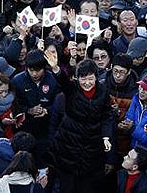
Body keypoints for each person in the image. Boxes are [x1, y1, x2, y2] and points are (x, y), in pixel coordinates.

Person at [45, 58, 114, 193]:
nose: (87, 83)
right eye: (83, 79)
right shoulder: (72, 90)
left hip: (91, 151)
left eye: (90, 79)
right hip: (69, 148)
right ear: (77, 79)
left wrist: (106, 137)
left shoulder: (103, 91)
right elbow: (63, 81)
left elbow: (107, 115)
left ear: (96, 77)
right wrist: (56, 69)